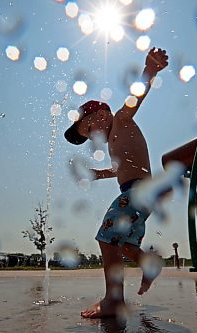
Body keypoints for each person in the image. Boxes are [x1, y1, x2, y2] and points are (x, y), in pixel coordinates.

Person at [64, 47, 169, 319]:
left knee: (106, 236)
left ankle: (113, 300)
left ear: (101, 113)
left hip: (137, 191)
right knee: (124, 244)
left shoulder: (121, 121)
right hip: (139, 193)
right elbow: (121, 167)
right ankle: (147, 264)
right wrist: (101, 174)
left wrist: (149, 70)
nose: (91, 136)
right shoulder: (114, 141)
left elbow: (136, 97)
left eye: (88, 129)